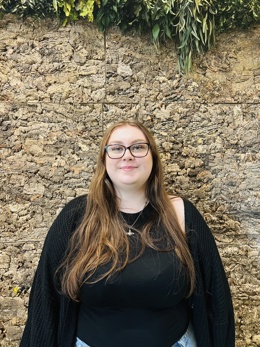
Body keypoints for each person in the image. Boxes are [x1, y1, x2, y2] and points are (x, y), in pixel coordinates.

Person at [20, 119, 235, 347]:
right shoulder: (75, 216)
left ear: (153, 156)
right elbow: (45, 301)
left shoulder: (183, 214)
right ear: (104, 160)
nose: (127, 155)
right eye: (116, 148)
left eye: (138, 147)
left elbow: (217, 302)